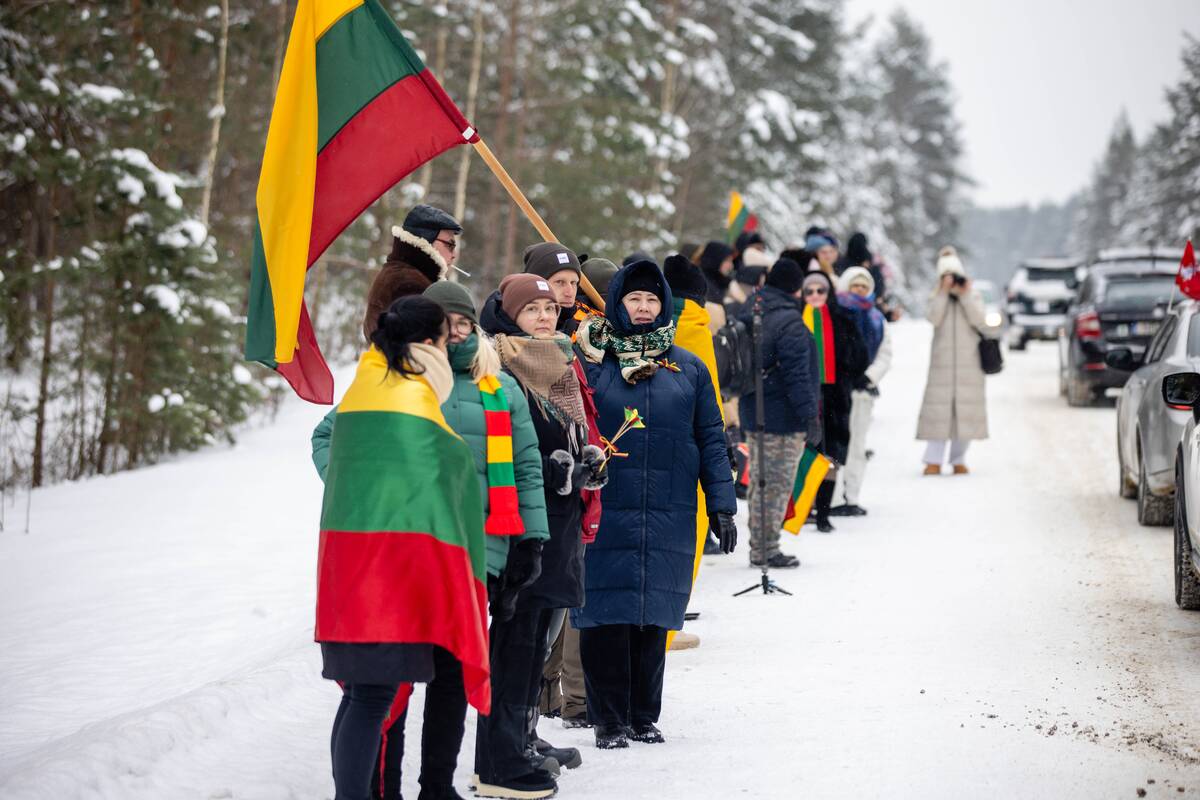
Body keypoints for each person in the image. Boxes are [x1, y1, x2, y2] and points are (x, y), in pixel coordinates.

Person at [317, 296, 490, 800]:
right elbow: (445, 470)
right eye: (445, 336)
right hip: (387, 575)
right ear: (429, 343)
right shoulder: (409, 396)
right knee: (371, 699)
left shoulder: (367, 385)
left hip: (348, 568)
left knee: (359, 698)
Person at [573, 259, 737, 749]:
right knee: (606, 614)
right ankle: (607, 719)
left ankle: (643, 716)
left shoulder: (688, 368)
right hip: (606, 505)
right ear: (617, 303)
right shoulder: (592, 361)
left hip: (669, 507)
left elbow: (711, 438)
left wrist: (723, 505)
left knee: (653, 614)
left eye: (651, 300)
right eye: (633, 299)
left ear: (663, 305)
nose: (643, 309)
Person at [477, 274, 607, 799]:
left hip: (561, 521)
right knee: (516, 639)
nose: (546, 317)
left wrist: (587, 462)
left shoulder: (561, 357)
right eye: (533, 309)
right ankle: (500, 752)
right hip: (522, 524)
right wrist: (551, 473)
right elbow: (497, 443)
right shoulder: (497, 363)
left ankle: (525, 736)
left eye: (551, 308)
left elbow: (570, 434)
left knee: (542, 636)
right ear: (511, 314)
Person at [737, 258, 817, 568]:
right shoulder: (789, 322)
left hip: (752, 410)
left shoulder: (750, 307)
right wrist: (810, 416)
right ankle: (766, 549)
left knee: (760, 481)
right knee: (777, 483)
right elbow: (797, 377)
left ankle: (760, 545)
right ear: (796, 287)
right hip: (782, 417)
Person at [800, 270, 868, 532]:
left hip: (834, 396)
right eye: (810, 291)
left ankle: (823, 513)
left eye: (821, 290)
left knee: (831, 454)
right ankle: (804, 508)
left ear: (829, 293)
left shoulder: (842, 320)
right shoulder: (795, 320)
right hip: (805, 395)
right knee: (806, 452)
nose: (815, 295)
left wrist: (846, 375)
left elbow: (860, 354)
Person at [917, 246, 989, 475]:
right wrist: (943, 292)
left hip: (969, 361)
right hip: (942, 362)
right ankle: (933, 460)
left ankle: (959, 458)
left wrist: (965, 294)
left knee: (965, 412)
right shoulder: (936, 295)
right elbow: (933, 318)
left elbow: (981, 321)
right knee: (938, 411)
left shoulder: (972, 293)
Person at [831, 267, 892, 517]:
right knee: (836, 442)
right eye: (855, 285)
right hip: (838, 389)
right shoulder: (835, 313)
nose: (859, 290)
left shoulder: (876, 318)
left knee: (858, 444)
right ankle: (833, 498)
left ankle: (852, 495)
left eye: (863, 286)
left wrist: (870, 376)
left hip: (863, 390)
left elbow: (885, 353)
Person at [695, 241, 737, 332]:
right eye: (727, 260)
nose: (731, 266)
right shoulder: (702, 284)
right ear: (716, 259)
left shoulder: (716, 282)